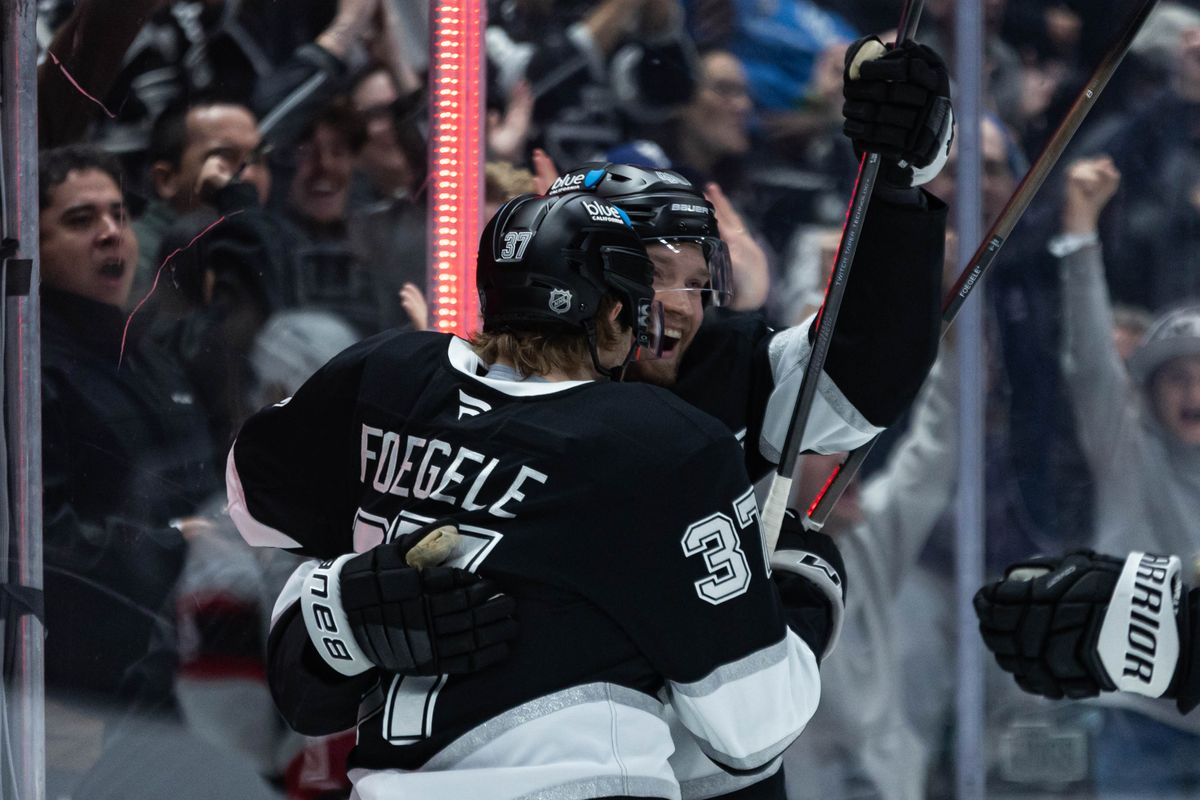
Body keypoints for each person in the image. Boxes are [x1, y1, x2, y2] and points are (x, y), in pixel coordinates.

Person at [227, 191, 843, 799]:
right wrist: (795, 591)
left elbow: (250, 494)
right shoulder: (666, 443)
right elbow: (753, 729)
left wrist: (341, 588)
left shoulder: (387, 372)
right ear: (613, 313)